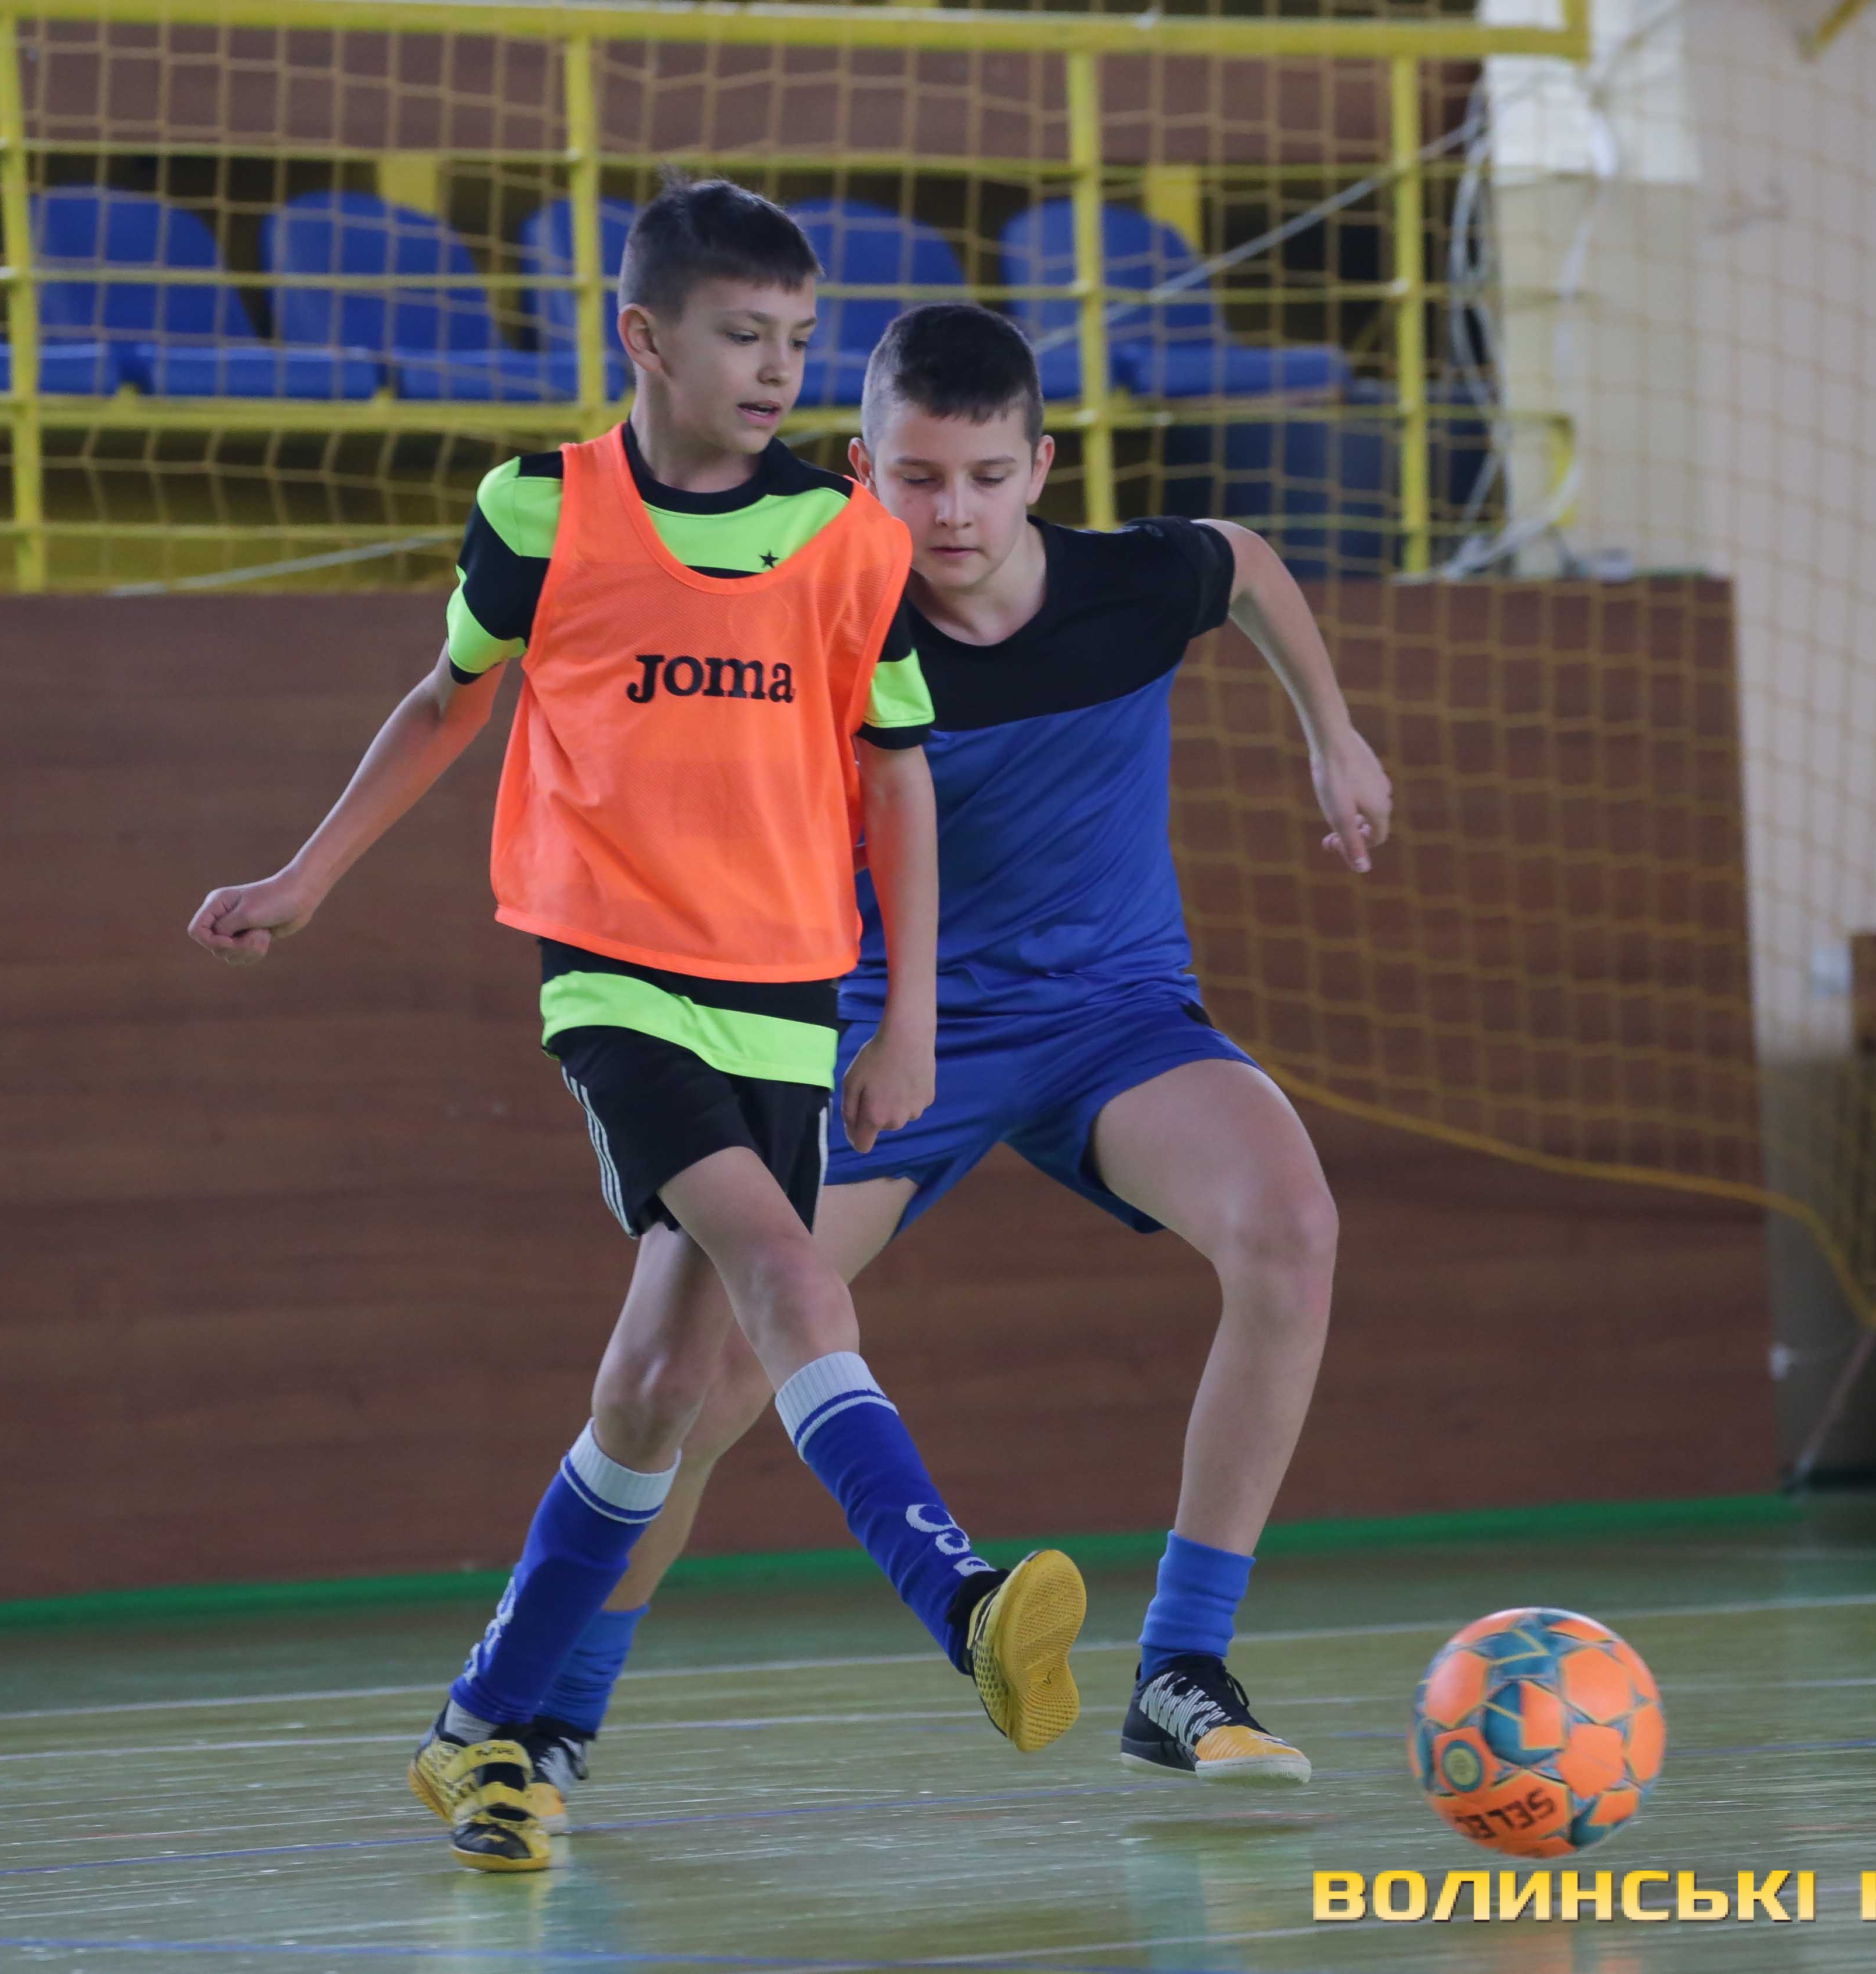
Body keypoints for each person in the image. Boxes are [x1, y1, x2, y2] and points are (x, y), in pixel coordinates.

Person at [188, 196, 1087, 1875]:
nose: (777, 368)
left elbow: (895, 772)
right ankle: (959, 1597)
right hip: (616, 980)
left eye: (798, 339)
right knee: (788, 1271)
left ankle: (481, 1726)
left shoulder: (845, 539)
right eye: (744, 335)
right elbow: (447, 697)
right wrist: (307, 874)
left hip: (791, 994)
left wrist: (905, 1016)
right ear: (646, 338)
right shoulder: (540, 509)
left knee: (661, 1387)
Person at [512, 303, 1393, 1817]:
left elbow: (1244, 560)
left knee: (1291, 1226)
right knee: (698, 1381)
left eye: (987, 476)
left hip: (1117, 1019)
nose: (955, 513)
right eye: (917, 478)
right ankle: (549, 1715)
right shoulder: (818, 619)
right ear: (862, 472)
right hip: (882, 1037)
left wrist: (1333, 732)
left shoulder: (1131, 586)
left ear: (1040, 468)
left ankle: (1184, 1666)